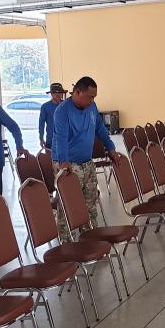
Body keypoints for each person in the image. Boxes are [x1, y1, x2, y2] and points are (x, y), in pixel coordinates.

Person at [52, 76, 121, 242]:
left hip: (87, 162)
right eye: (90, 97)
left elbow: (100, 129)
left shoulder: (91, 107)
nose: (92, 101)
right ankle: (65, 242)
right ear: (77, 92)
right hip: (68, 164)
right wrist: (63, 162)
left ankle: (89, 238)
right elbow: (60, 138)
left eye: (94, 97)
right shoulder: (62, 111)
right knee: (67, 205)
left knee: (90, 202)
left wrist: (111, 147)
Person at [38, 82, 67, 149]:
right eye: (55, 92)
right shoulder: (45, 107)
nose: (58, 94)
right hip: (51, 141)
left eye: (60, 92)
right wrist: (41, 138)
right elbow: (41, 124)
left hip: (66, 140)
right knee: (51, 156)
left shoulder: (66, 105)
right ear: (51, 94)